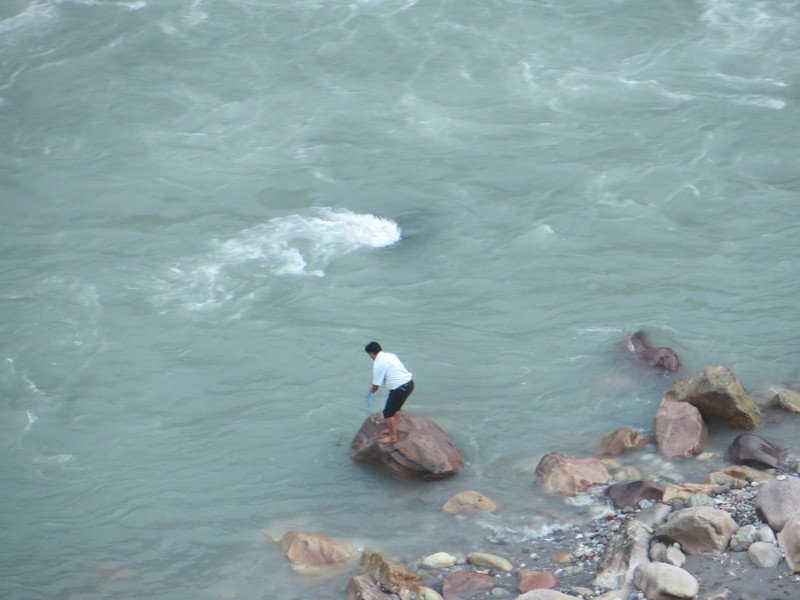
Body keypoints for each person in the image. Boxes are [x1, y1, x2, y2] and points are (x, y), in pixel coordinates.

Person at [364, 341, 414, 444]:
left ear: (372, 353)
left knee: (387, 413)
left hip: (399, 388)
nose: (370, 357)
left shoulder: (378, 364)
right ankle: (392, 429)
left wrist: (371, 390)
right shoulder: (391, 355)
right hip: (409, 383)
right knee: (394, 409)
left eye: (369, 354)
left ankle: (392, 437)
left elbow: (376, 386)